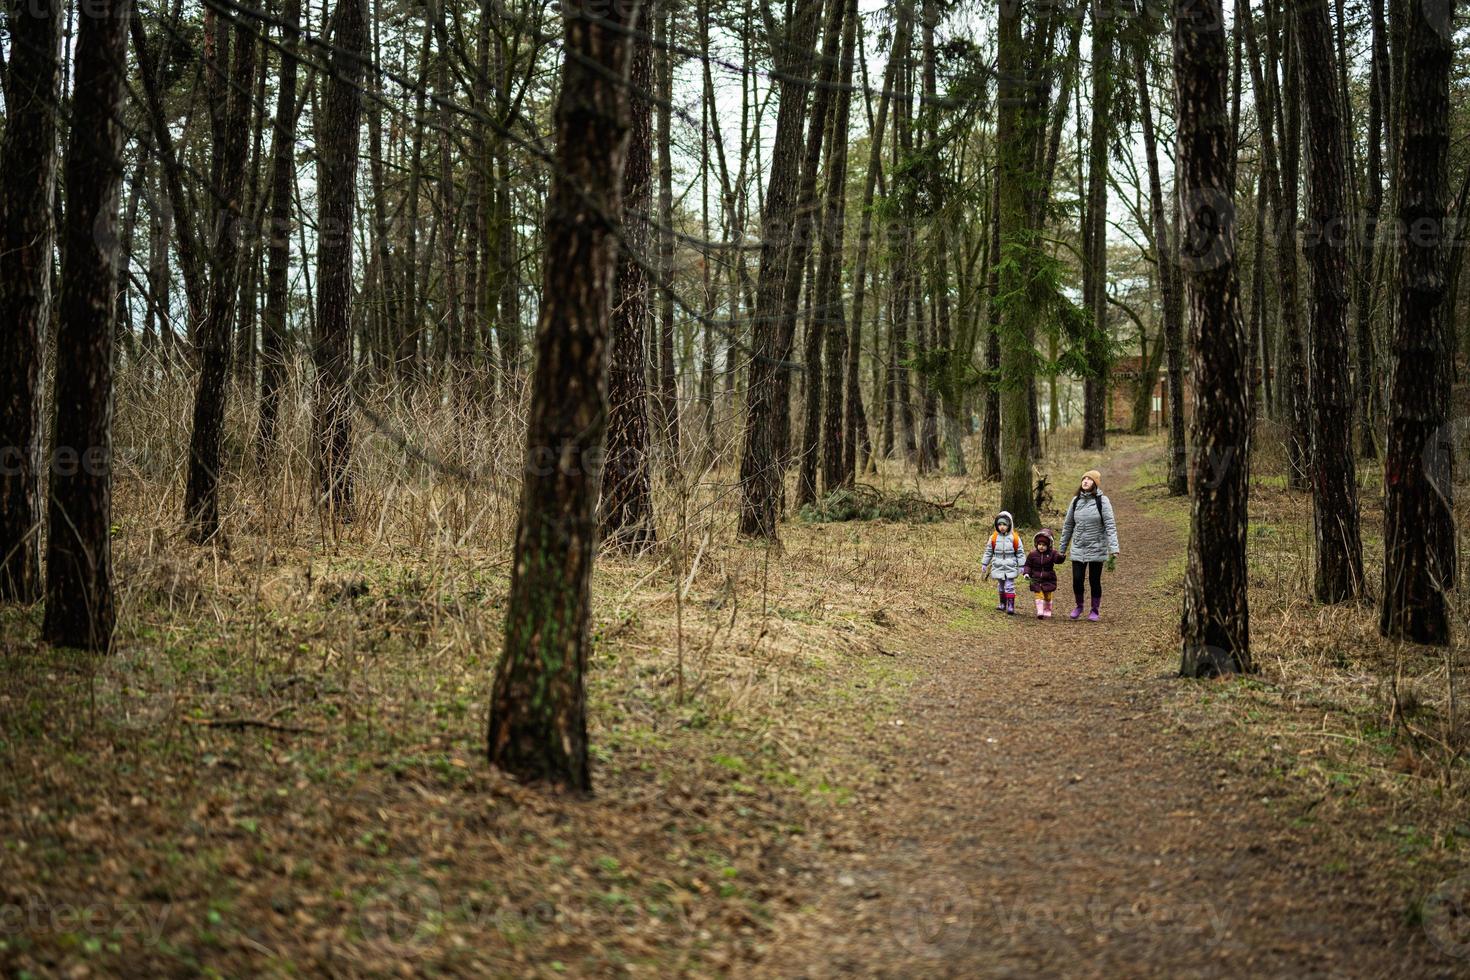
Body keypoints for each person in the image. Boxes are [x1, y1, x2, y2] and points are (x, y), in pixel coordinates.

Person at [1058, 469, 1120, 621]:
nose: (1085, 481)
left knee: (1094, 580)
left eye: (1089, 479)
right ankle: (1079, 606)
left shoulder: (1102, 501)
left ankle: (1094, 610)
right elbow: (1068, 526)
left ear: (1095, 483)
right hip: (1078, 546)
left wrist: (1114, 548)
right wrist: (1062, 548)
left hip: (1097, 546)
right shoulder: (1076, 501)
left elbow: (1110, 525)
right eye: (1083, 479)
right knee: (1077, 579)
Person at [980, 510, 1025, 616]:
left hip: (1010, 564)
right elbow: (988, 551)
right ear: (996, 525)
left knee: (1009, 586)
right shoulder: (994, 538)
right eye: (1000, 524)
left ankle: (1010, 605)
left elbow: (1020, 552)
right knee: (1000, 585)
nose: (1002, 527)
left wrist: (1022, 565)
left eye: (1004, 524)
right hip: (998, 564)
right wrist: (984, 563)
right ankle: (1002, 603)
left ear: (1009, 524)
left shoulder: (1015, 538)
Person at [1022, 529, 1064, 619]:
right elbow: (1028, 565)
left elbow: (1057, 560)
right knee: (1038, 594)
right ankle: (1040, 611)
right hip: (1036, 579)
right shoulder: (1032, 554)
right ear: (1036, 544)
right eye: (1039, 544)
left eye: (1044, 545)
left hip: (1048, 578)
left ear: (1048, 545)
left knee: (1048, 596)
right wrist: (1026, 573)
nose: (1041, 547)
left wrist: (1061, 557)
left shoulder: (1052, 553)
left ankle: (1047, 609)